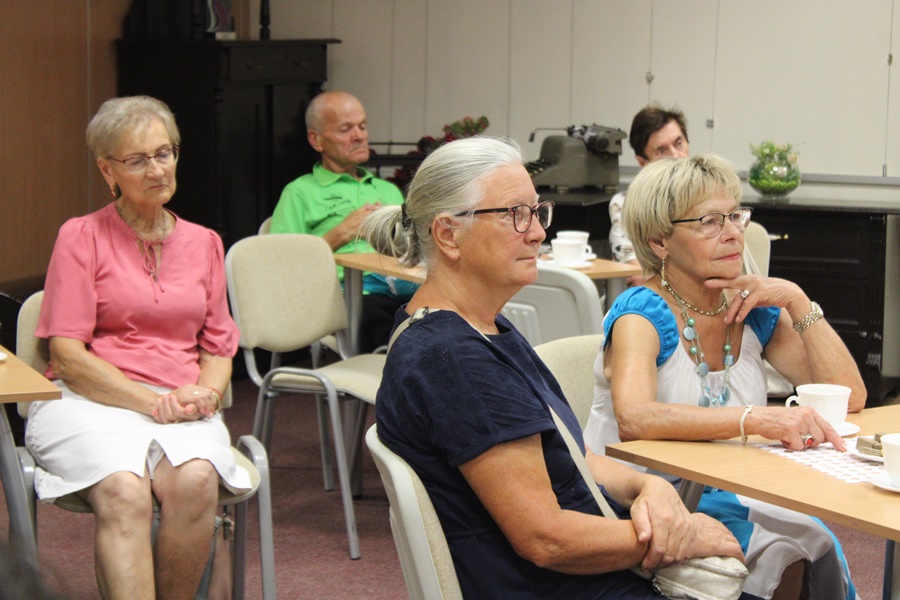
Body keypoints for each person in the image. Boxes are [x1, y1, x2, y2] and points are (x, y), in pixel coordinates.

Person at [361, 137, 759, 600]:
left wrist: (645, 484)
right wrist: (680, 536)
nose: (536, 233)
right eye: (515, 214)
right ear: (448, 234)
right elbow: (546, 539)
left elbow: (572, 455)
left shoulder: (479, 331)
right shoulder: (453, 358)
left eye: (537, 212)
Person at [584, 154, 867, 600]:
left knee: (815, 541)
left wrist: (797, 300)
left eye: (735, 215)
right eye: (710, 222)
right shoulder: (642, 313)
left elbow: (849, 397)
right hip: (632, 499)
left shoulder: (753, 311)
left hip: (724, 490)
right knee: (784, 551)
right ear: (660, 241)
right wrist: (754, 419)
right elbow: (634, 419)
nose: (734, 232)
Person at [28, 96, 248, 600]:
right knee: (124, 491)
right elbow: (68, 355)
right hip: (88, 400)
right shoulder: (81, 236)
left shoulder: (205, 243)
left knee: (195, 483)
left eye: (165, 153)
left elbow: (217, 346)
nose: (157, 169)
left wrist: (206, 397)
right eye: (138, 159)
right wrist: (151, 403)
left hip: (179, 402)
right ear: (108, 169)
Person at [270, 90, 416, 352]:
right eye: (346, 129)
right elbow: (280, 268)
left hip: (402, 286)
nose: (359, 136)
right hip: (350, 296)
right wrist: (343, 232)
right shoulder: (300, 192)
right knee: (398, 335)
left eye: (362, 126)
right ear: (316, 140)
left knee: (460, 322)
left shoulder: (388, 190)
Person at [609, 104, 690, 287]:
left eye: (679, 143)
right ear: (643, 162)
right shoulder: (626, 204)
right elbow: (636, 276)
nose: (677, 156)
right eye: (662, 151)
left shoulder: (710, 198)